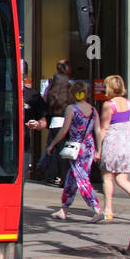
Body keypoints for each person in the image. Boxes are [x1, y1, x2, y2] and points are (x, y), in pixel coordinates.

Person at [46, 79, 103, 222]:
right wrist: (98, 151)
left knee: (82, 178)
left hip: (76, 147)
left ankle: (97, 208)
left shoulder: (71, 109)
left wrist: (52, 144)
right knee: (72, 178)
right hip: (89, 147)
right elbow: (98, 131)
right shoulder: (93, 110)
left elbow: (64, 130)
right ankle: (63, 209)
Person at [99, 75, 130, 221]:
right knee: (122, 178)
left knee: (107, 177)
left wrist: (98, 148)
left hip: (113, 142)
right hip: (126, 142)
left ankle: (108, 210)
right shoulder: (128, 104)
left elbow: (104, 128)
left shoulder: (109, 105)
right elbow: (129, 125)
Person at [43, 58, 73, 186]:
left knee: (54, 149)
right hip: (65, 122)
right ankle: (64, 179)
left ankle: (50, 173)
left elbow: (47, 102)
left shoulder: (52, 87)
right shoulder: (69, 86)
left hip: (54, 122)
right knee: (64, 153)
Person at [21, 60, 49, 177]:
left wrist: (38, 124)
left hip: (23, 146)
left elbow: (44, 119)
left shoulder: (32, 95)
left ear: (25, 76)